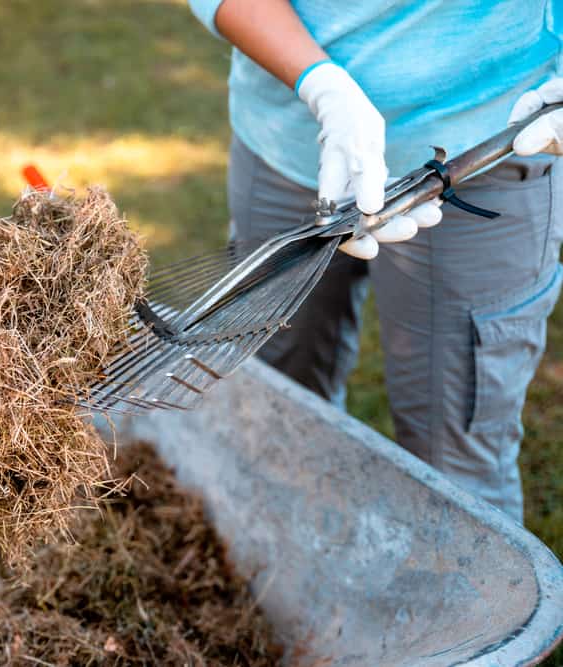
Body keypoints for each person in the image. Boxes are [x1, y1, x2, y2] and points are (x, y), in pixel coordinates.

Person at [187, 0, 563, 522]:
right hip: (291, 139)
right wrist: (322, 84)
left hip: (488, 142)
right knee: (281, 405)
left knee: (454, 464)